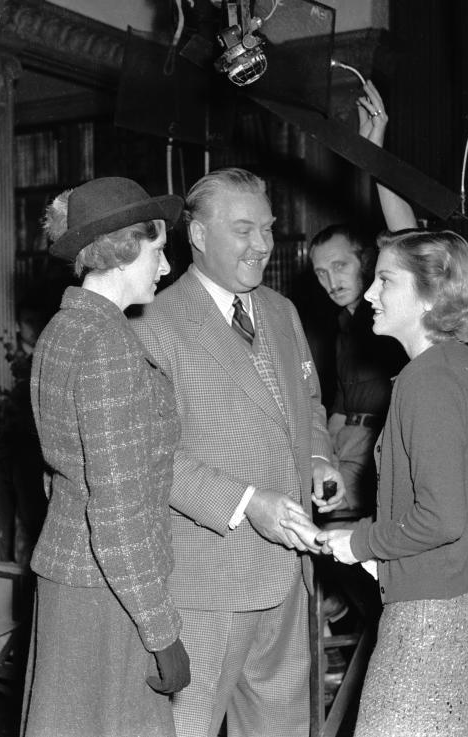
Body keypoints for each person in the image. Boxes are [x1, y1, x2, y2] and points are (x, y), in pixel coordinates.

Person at [131, 167, 344, 737]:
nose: (264, 245)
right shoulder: (152, 322)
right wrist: (247, 501)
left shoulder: (281, 311)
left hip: (288, 579)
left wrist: (319, 459)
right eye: (244, 230)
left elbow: (309, 402)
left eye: (269, 229)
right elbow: (149, 457)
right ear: (197, 236)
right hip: (206, 584)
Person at [317, 229, 468, 737]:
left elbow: (441, 517)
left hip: (431, 623)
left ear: (430, 292)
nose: (368, 294)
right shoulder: (459, 367)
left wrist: (362, 540)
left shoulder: (426, 379)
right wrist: (363, 539)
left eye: (385, 280)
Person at [20, 177, 190, 737]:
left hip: (76, 575)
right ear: (121, 250)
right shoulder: (107, 345)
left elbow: (60, 477)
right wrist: (161, 630)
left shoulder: (63, 331)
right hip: (107, 593)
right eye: (158, 251)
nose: (165, 268)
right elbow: (117, 513)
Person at [308, 82, 414, 513]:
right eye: (319, 273)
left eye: (340, 266)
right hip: (334, 437)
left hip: (374, 439)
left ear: (366, 262)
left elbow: (406, 234)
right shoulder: (341, 323)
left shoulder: (388, 313)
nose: (330, 280)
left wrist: (375, 151)